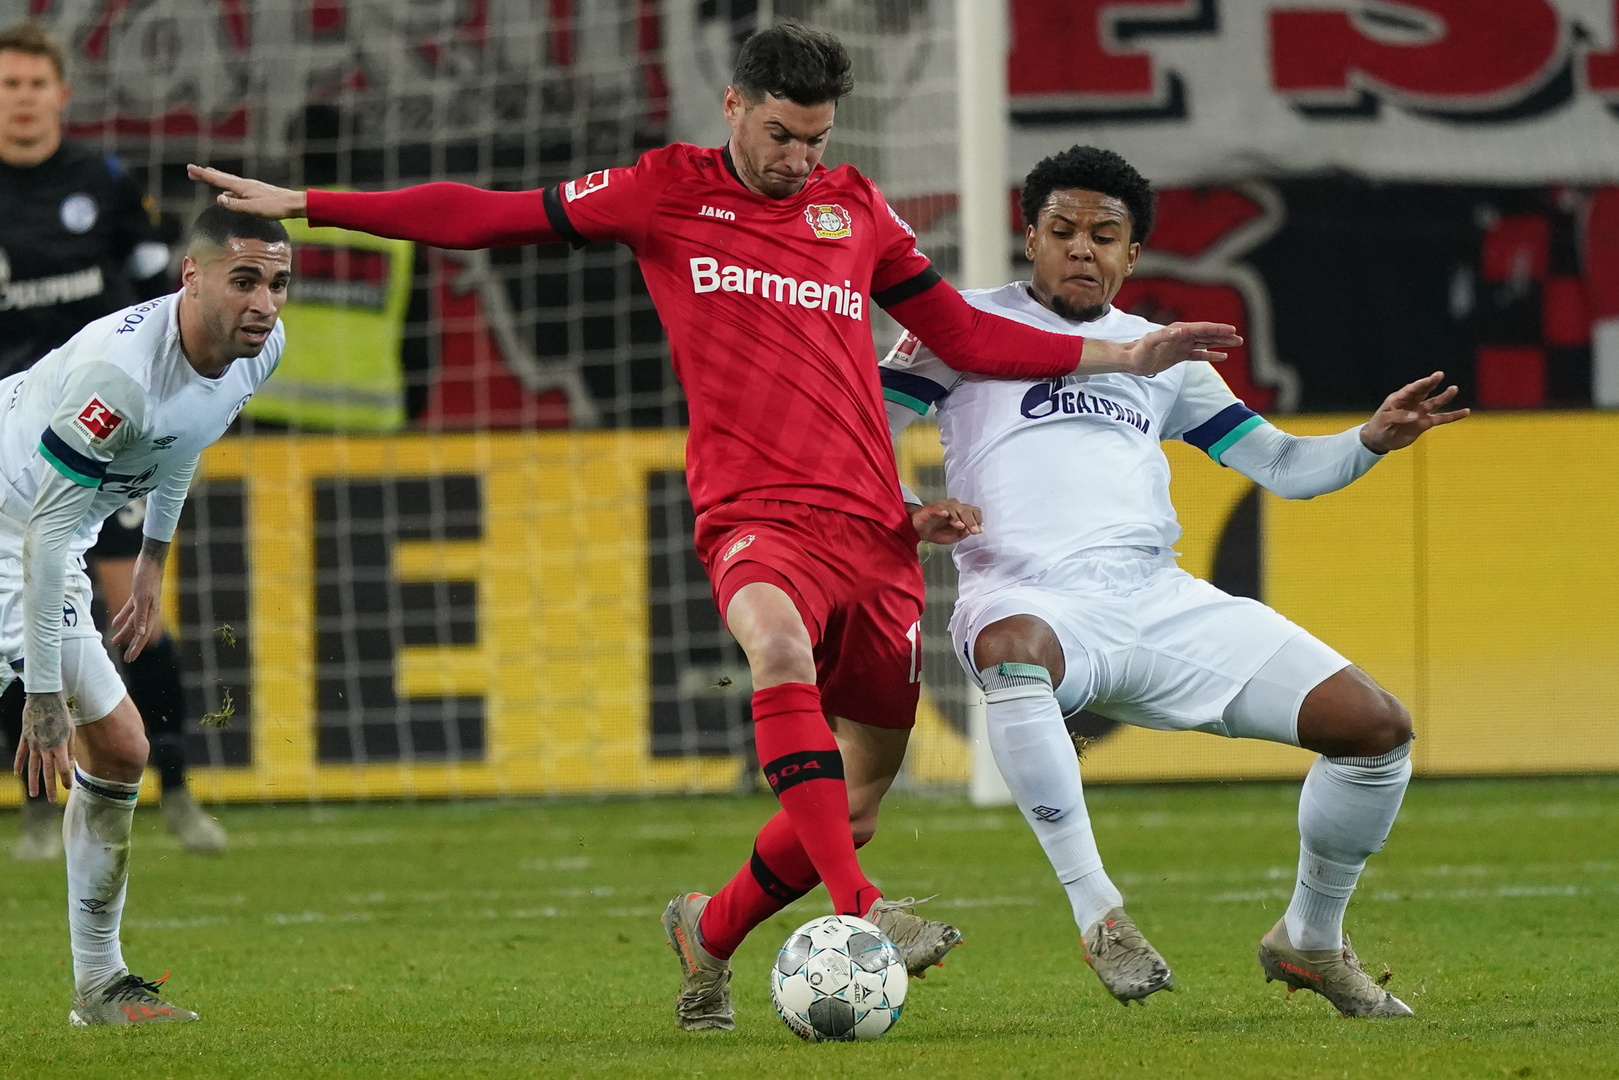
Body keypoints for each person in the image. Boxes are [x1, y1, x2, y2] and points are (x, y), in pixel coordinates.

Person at [186, 23, 1238, 1031]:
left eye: (815, 139)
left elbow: (959, 332)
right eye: (778, 133)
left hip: (872, 530)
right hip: (750, 513)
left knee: (858, 795)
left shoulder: (853, 209)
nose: (795, 158)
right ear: (732, 105)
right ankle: (862, 907)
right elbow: (488, 213)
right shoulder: (664, 190)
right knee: (774, 649)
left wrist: (1122, 357)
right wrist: (313, 204)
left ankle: (708, 934)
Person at [881, 145, 1467, 1018]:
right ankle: (1099, 916)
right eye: (1062, 230)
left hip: (1158, 599)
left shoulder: (1166, 361)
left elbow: (1280, 466)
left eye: (1104, 235)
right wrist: (906, 511)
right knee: (1012, 653)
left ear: (1131, 255)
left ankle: (1308, 938)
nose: (1082, 248)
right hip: (1026, 592)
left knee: (1375, 730)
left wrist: (1367, 441)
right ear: (1029, 237)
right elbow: (864, 437)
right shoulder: (960, 328)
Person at [7, 205, 290, 1025]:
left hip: (43, 531)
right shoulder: (119, 373)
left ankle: (100, 986)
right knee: (104, 735)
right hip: (14, 526)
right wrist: (42, 695)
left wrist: (155, 561)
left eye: (278, 284)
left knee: (123, 749)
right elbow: (45, 536)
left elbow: (183, 444)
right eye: (245, 280)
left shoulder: (257, 351)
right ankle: (98, 984)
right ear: (190, 277)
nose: (265, 303)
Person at [0, 19, 224, 858]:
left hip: (107, 433)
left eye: (33, 85)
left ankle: (180, 790)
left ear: (59, 94)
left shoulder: (104, 183)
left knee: (134, 608)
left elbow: (159, 302)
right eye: (7, 85)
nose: (21, 100)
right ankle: (31, 805)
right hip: (16, 438)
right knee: (23, 619)